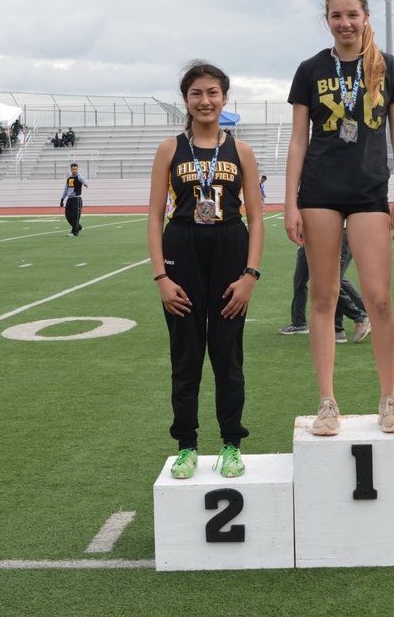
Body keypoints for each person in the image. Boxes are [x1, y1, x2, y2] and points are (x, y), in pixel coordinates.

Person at [284, 0, 394, 436]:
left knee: (378, 298)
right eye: (337, 16)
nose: (345, 23)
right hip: (319, 191)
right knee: (324, 298)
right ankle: (327, 402)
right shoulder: (309, 69)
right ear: (328, 21)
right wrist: (290, 201)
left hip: (370, 193)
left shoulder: (384, 66)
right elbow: (299, 139)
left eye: (352, 15)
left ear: (366, 17)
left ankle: (388, 398)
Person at [147, 62, 264, 480]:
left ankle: (231, 442)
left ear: (225, 98)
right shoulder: (169, 149)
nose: (205, 101)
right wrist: (161, 277)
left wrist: (250, 275)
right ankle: (187, 446)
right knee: (186, 356)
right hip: (182, 247)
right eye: (196, 93)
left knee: (228, 356)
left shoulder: (242, 151)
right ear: (186, 100)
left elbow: (257, 216)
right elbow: (154, 216)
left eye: (213, 92)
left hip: (230, 246)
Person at [279, 229, 371, 344]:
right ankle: (299, 323)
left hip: (336, 234)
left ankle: (357, 319)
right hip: (311, 237)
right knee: (302, 280)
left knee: (331, 282)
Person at [59, 163, 88, 236]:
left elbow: (83, 180)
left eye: (76, 169)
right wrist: (62, 199)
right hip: (69, 199)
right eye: (73, 169)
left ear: (77, 169)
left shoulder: (79, 177)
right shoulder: (69, 179)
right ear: (71, 169)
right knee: (68, 216)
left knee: (75, 216)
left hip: (77, 199)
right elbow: (66, 189)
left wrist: (84, 183)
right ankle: (78, 227)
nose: (75, 170)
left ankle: (74, 232)